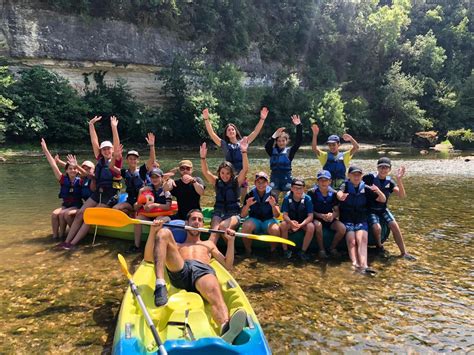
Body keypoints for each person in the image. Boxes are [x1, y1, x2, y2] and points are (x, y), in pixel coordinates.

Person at [143, 210, 247, 344]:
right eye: (193, 219)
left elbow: (228, 265)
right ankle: (160, 284)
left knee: (215, 292)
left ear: (203, 225)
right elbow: (148, 258)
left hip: (202, 271)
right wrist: (153, 231)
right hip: (181, 269)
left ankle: (225, 328)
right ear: (187, 223)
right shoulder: (178, 245)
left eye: (200, 220)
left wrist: (231, 242)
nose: (196, 222)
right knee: (163, 232)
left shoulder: (208, 244)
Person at [60, 116, 122, 250]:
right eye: (103, 149)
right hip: (98, 192)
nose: (106, 151)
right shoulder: (100, 159)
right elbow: (94, 141)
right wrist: (91, 125)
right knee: (80, 213)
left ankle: (72, 244)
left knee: (90, 215)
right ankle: (66, 241)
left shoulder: (116, 160)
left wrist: (114, 127)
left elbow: (116, 145)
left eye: (108, 149)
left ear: (112, 150)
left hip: (110, 194)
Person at [202, 107, 268, 200]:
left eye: (232, 129)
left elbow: (255, 131)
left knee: (244, 200)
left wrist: (262, 119)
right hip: (229, 178)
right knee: (229, 199)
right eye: (228, 130)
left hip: (242, 176)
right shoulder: (224, 144)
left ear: (236, 132)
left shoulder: (243, 142)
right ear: (226, 134)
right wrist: (206, 119)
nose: (231, 131)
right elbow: (212, 134)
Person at [363, 157, 416, 260]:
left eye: (386, 168)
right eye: (381, 167)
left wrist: (399, 179)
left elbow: (402, 195)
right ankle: (379, 246)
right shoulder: (369, 178)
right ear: (377, 168)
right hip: (371, 209)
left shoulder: (390, 182)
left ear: (389, 169)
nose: (383, 170)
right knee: (377, 227)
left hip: (383, 209)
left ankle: (403, 252)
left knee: (394, 225)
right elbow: (357, 182)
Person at [337, 166, 386, 274]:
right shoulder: (344, 185)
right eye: (354, 174)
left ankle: (364, 265)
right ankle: (355, 264)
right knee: (352, 241)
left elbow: (382, 199)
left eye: (358, 175)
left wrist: (378, 191)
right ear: (349, 176)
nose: (356, 177)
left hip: (361, 219)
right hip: (347, 218)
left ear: (361, 176)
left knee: (362, 239)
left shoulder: (366, 188)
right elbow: (339, 193)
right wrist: (341, 196)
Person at [200, 138, 249, 244]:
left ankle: (232, 252)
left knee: (222, 227)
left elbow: (245, 170)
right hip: (218, 212)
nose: (225, 176)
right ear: (219, 173)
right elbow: (205, 171)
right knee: (214, 233)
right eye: (222, 173)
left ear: (231, 174)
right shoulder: (216, 182)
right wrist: (203, 158)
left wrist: (244, 152)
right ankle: (209, 253)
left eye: (228, 173)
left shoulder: (237, 182)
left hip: (234, 214)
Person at [41, 138, 82, 239]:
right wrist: (45, 150)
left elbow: (86, 173)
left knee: (63, 214)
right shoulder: (62, 179)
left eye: (74, 169)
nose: (72, 170)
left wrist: (74, 164)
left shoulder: (81, 180)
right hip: (66, 205)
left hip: (77, 205)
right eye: (70, 169)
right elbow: (53, 165)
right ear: (66, 171)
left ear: (77, 171)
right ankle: (56, 237)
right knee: (55, 214)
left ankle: (67, 235)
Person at [110, 133, 156, 216]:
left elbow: (152, 160)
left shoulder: (142, 170)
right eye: (130, 159)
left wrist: (152, 146)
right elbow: (111, 167)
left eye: (135, 159)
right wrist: (114, 156)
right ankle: (130, 213)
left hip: (141, 200)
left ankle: (134, 213)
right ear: (127, 160)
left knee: (135, 206)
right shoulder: (124, 172)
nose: (132, 161)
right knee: (115, 208)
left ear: (138, 160)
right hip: (130, 200)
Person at [131, 168, 172, 253]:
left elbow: (168, 206)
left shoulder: (166, 189)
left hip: (164, 216)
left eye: (156, 177)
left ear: (161, 177)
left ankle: (153, 247)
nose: (154, 179)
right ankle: (136, 246)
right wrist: (140, 192)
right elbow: (136, 207)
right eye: (152, 177)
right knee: (138, 219)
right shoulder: (147, 189)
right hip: (150, 216)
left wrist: (154, 205)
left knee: (158, 220)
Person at [307, 170, 346, 259]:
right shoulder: (311, 193)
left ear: (330, 181)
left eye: (326, 180)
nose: (323, 182)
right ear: (317, 181)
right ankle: (321, 249)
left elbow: (336, 211)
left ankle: (332, 248)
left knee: (342, 228)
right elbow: (309, 210)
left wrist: (332, 216)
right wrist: (320, 215)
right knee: (318, 225)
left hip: (329, 219)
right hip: (316, 217)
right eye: (321, 180)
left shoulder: (334, 194)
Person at [240, 172, 281, 257]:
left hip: (268, 221)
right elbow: (243, 215)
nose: (261, 185)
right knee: (246, 226)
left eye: (263, 182)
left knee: (276, 229)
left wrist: (273, 205)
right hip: (255, 221)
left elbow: (277, 215)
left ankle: (272, 251)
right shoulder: (250, 194)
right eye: (258, 182)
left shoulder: (272, 194)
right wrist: (247, 205)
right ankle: (248, 251)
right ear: (255, 183)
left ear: (267, 183)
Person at [264, 114, 303, 201]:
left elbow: (298, 141)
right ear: (276, 142)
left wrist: (298, 126)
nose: (281, 143)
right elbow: (267, 146)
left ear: (286, 141)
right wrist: (274, 136)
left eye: (283, 141)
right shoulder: (271, 151)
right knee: (272, 200)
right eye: (279, 141)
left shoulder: (290, 152)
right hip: (275, 180)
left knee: (289, 200)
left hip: (287, 181)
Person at [311, 123, 359, 188]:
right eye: (330, 145)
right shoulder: (324, 156)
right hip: (328, 185)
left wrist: (351, 139)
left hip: (341, 185)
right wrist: (315, 135)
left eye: (334, 144)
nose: (332, 147)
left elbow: (356, 147)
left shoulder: (345, 156)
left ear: (338, 144)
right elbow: (314, 148)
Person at [279, 178, 315, 261]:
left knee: (311, 227)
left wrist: (301, 224)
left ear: (304, 189)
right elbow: (285, 215)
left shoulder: (307, 199)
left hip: (303, 222)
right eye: (295, 188)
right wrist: (291, 223)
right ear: (291, 188)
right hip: (290, 222)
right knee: (283, 225)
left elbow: (310, 216)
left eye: (300, 188)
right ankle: (285, 250)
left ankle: (303, 251)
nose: (298, 190)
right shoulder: (287, 198)